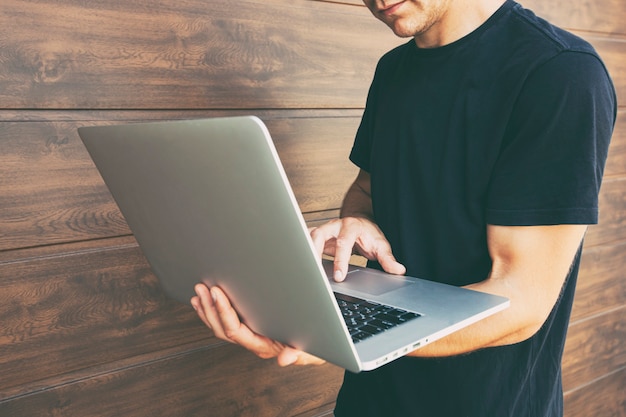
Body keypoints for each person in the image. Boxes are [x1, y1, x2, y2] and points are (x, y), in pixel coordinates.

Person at [191, 0, 616, 415]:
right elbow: (368, 190)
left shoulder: (559, 72)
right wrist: (360, 220)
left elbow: (521, 301)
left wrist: (341, 339)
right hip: (369, 397)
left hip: (486, 402)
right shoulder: (393, 70)